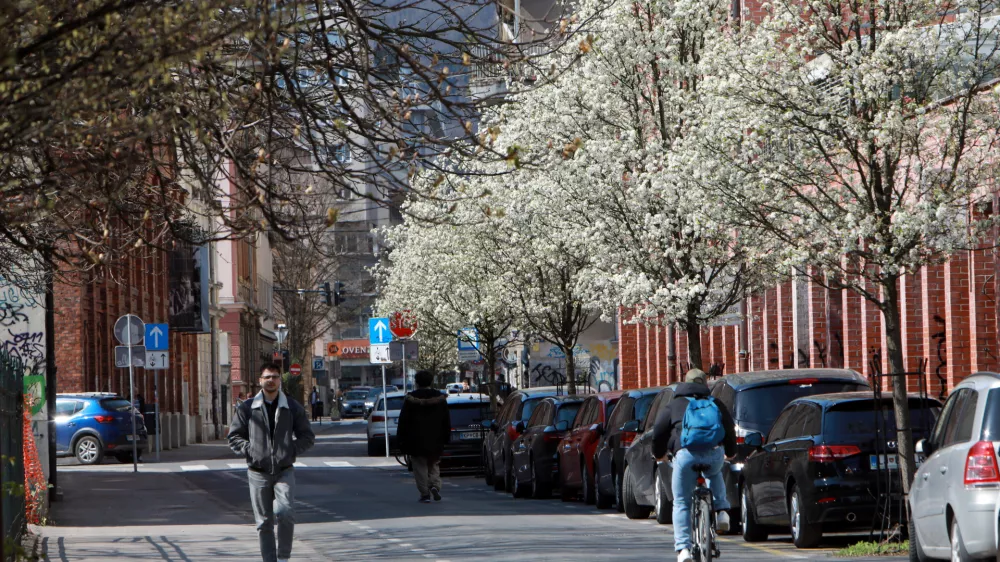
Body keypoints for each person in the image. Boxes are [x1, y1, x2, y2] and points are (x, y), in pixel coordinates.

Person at [228, 363, 315, 562]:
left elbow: (307, 436)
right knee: (264, 522)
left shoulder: (291, 407)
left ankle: (283, 557)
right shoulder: (248, 408)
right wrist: (251, 451)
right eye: (267, 377)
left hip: (284, 470)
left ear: (280, 381)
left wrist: (290, 450)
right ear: (260, 381)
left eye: (275, 377)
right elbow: (234, 436)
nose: (271, 380)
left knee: (285, 512)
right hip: (257, 472)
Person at [652, 369, 737, 562]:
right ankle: (722, 512)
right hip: (714, 453)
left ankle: (683, 550)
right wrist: (730, 452)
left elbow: (659, 431)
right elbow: (729, 429)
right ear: (705, 385)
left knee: (681, 502)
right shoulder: (715, 403)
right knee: (715, 473)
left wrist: (659, 454)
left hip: (685, 455)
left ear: (685, 383)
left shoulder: (674, 405)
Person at [396, 370, 451, 503]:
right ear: (431, 381)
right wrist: (446, 437)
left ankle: (425, 493)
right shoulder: (440, 399)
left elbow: (403, 421)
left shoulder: (410, 400)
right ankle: (435, 486)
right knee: (434, 464)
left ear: (416, 382)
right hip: (436, 438)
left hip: (416, 440)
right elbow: (446, 420)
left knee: (419, 466)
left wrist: (400, 441)